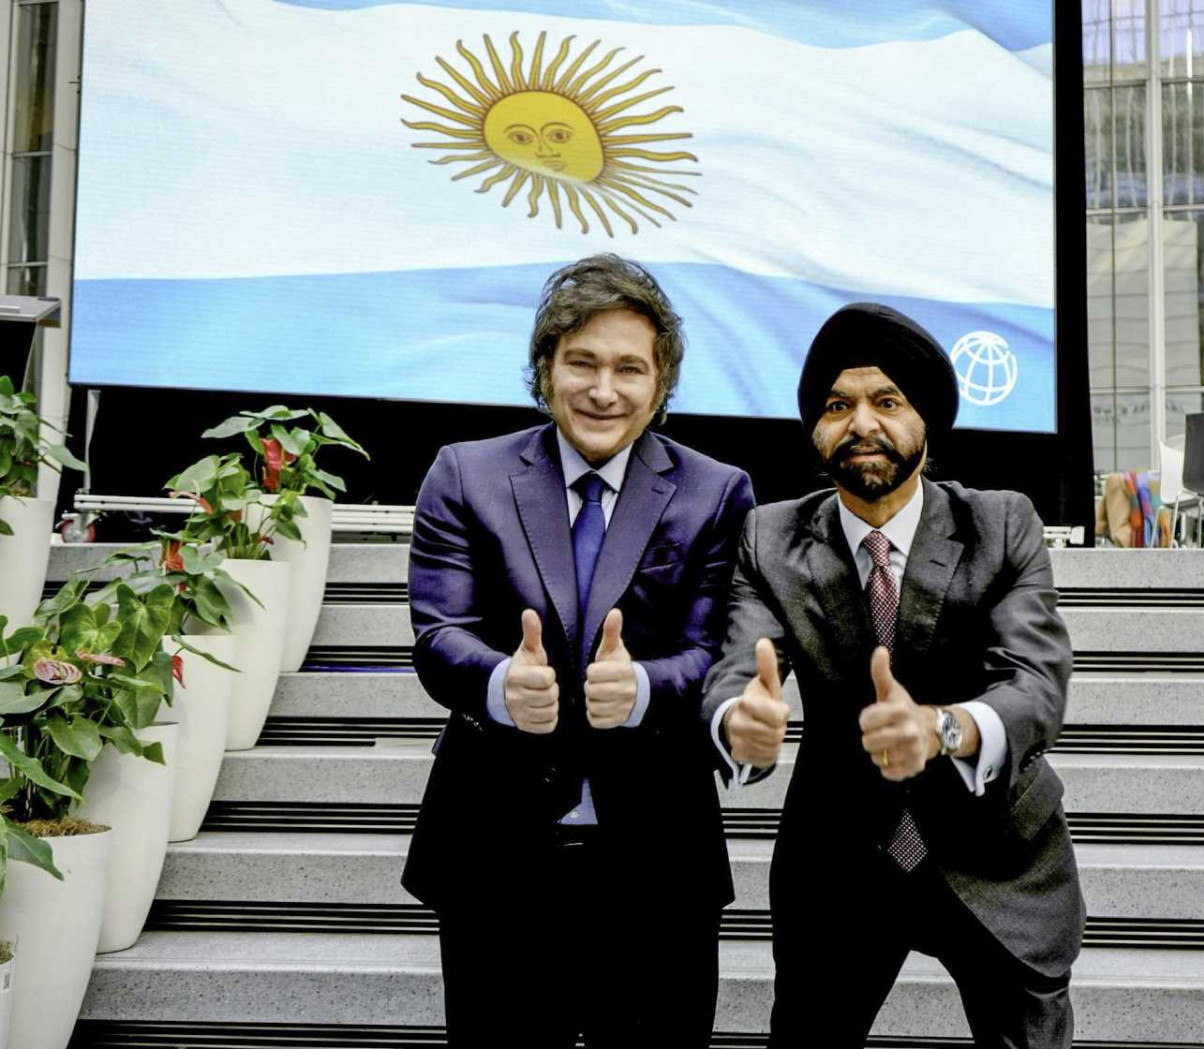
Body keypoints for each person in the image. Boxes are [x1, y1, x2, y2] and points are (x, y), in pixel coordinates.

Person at [702, 303, 1085, 1047]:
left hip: (996, 854)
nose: (861, 423)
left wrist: (942, 729)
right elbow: (738, 664)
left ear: (926, 420)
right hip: (840, 860)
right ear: (814, 428)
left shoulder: (1002, 522)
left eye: (887, 401)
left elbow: (1036, 681)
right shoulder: (769, 535)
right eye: (837, 405)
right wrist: (738, 719)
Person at [402, 254, 755, 1047]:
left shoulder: (717, 489)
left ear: (661, 384)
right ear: (545, 369)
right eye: (582, 363)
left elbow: (712, 645)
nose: (604, 389)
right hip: (495, 849)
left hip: (659, 853)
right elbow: (438, 635)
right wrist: (498, 682)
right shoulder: (465, 473)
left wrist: (647, 686)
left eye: (630, 368)